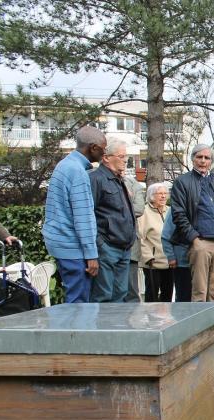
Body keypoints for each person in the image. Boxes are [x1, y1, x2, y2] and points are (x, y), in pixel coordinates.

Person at [43, 125, 104, 303]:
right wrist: (91, 254)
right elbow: (83, 217)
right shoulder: (77, 172)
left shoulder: (65, 165)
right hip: (72, 248)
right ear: (93, 148)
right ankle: (76, 331)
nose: (104, 153)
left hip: (63, 245)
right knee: (78, 303)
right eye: (103, 148)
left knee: (75, 301)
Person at [170, 144, 214, 302]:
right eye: (199, 157)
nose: (203, 161)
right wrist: (194, 239)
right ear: (193, 159)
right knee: (199, 292)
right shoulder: (182, 182)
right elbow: (178, 214)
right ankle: (199, 328)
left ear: (211, 161)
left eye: (207, 158)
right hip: (201, 242)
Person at [89, 138, 136, 302]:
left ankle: (117, 327)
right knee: (103, 296)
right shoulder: (96, 179)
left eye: (126, 157)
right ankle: (100, 327)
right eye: (121, 156)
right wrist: (100, 244)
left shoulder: (119, 180)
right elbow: (88, 214)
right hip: (107, 248)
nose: (125, 161)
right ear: (106, 157)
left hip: (123, 248)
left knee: (121, 294)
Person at [138, 182, 173, 302]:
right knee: (152, 296)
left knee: (167, 294)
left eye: (165, 193)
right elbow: (140, 237)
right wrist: (148, 257)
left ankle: (167, 320)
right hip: (152, 263)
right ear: (151, 196)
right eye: (160, 193)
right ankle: (151, 320)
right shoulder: (144, 212)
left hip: (170, 261)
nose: (163, 196)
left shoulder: (170, 211)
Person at [124, 174, 147, 302]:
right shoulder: (97, 178)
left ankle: (132, 321)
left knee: (131, 292)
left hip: (131, 247)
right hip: (107, 247)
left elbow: (139, 209)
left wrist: (116, 208)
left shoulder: (132, 182)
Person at [161, 207, 192, 302]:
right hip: (181, 263)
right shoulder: (174, 209)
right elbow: (165, 236)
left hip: (199, 261)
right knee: (183, 298)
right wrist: (171, 257)